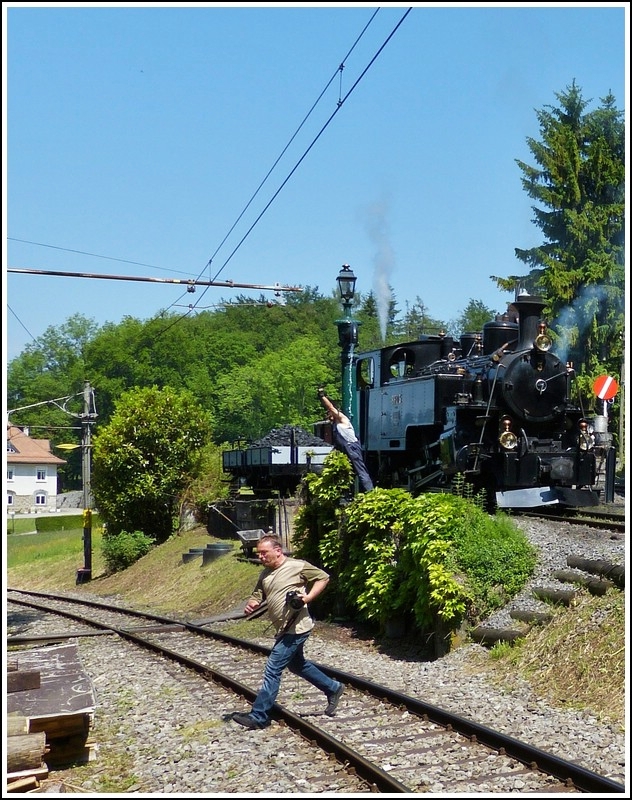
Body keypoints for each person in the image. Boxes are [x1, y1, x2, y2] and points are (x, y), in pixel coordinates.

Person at [231, 534, 344, 730]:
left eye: (265, 553)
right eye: (259, 554)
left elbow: (323, 577)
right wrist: (251, 604)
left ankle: (259, 717)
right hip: (284, 629)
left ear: (278, 551)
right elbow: (257, 596)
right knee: (297, 665)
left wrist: (307, 598)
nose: (261, 557)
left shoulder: (297, 566)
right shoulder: (265, 573)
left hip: (297, 627)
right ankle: (333, 688)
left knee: (273, 669)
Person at [318, 388, 374, 492]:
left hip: (352, 447)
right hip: (345, 449)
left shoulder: (342, 419)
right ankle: (347, 493)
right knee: (344, 471)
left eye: (328, 413)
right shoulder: (334, 426)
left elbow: (330, 407)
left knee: (360, 471)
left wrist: (322, 396)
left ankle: (371, 492)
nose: (327, 416)